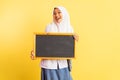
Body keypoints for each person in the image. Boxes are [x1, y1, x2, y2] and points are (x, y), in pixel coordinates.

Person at [31, 6, 79, 80]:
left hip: (63, 65)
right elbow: (43, 45)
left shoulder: (69, 28)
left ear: (64, 13)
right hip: (49, 65)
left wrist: (75, 39)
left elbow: (70, 48)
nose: (57, 15)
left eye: (59, 12)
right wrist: (36, 53)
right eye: (54, 13)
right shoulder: (49, 27)